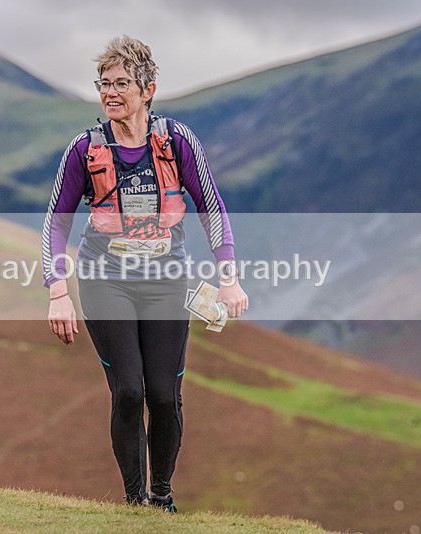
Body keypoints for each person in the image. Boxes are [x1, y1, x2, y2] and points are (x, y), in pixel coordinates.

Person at [41, 36, 248, 512]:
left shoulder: (176, 142)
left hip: (165, 280)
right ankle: (135, 500)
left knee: (163, 393)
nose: (110, 93)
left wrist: (229, 276)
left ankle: (163, 496)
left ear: (148, 89)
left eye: (121, 84)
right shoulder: (84, 150)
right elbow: (57, 222)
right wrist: (57, 290)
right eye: (104, 83)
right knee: (129, 391)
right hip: (103, 276)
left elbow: (211, 206)